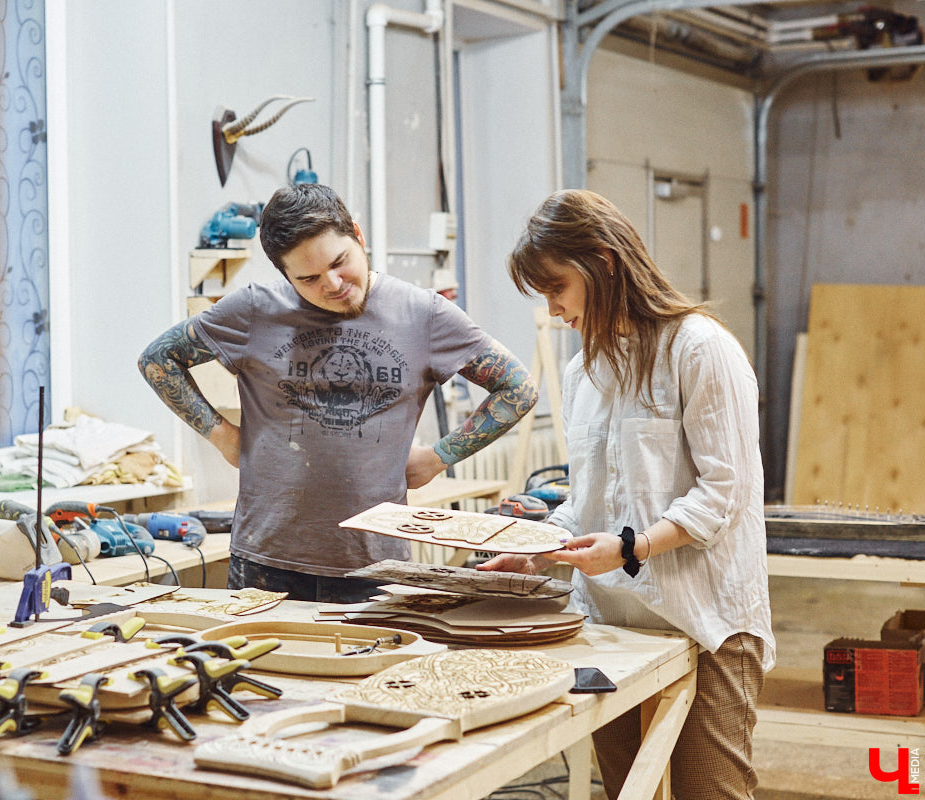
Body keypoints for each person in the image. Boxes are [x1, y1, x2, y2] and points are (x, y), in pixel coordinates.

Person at [480, 189, 774, 800]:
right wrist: (536, 550)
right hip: (612, 630)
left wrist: (630, 547)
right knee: (628, 792)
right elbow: (586, 502)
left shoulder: (698, 348)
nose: (554, 308)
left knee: (708, 794)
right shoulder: (583, 369)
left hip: (706, 623)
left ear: (604, 262)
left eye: (558, 287)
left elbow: (724, 495)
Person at [139, 183, 538, 603]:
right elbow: (157, 359)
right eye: (308, 278)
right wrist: (221, 435)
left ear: (358, 236)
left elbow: (518, 386)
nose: (332, 284)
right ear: (284, 275)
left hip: (374, 563)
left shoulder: (422, 314)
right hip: (265, 560)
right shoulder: (254, 310)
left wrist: (440, 457)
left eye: (340, 262)